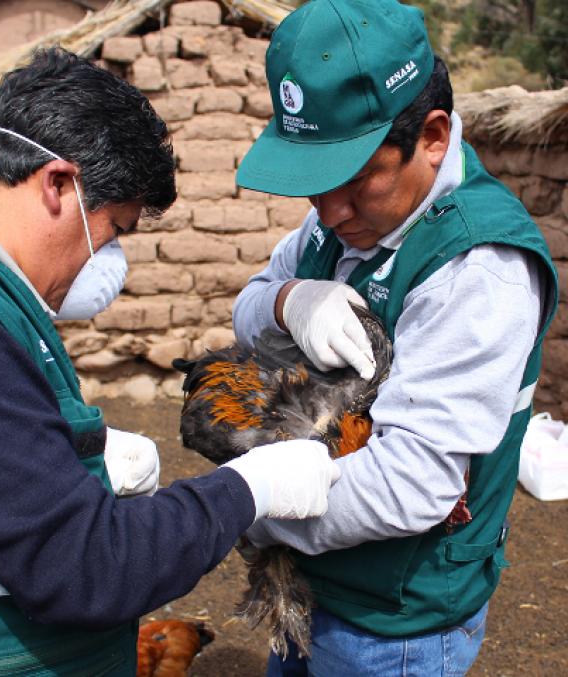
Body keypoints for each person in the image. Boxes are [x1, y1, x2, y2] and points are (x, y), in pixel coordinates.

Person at [0, 48, 342, 676]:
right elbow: (87, 570)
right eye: (114, 229)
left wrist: (63, 459)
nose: (104, 258)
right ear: (57, 185)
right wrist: (247, 489)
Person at [232, 1, 558, 675]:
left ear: (432, 136)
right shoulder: (334, 223)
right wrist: (292, 300)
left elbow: (409, 484)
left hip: (393, 625)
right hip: (307, 582)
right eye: (313, 186)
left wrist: (243, 505)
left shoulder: (478, 267)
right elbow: (248, 307)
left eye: (353, 181)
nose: (328, 210)